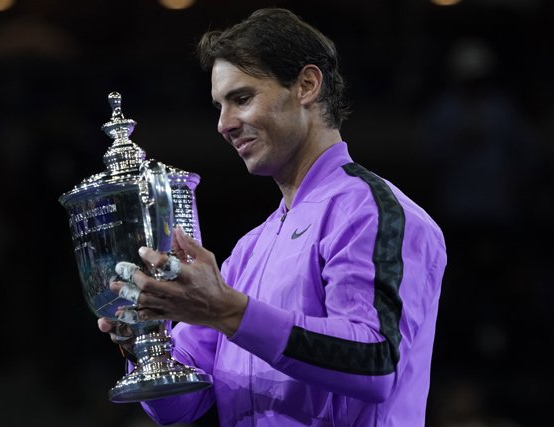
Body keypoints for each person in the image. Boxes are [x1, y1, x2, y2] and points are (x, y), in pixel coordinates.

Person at [98, 8, 446, 427]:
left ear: (306, 85)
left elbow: (374, 364)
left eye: (242, 99)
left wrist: (229, 311)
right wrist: (144, 342)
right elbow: (179, 408)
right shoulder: (249, 249)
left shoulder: (370, 210)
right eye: (219, 106)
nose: (224, 124)